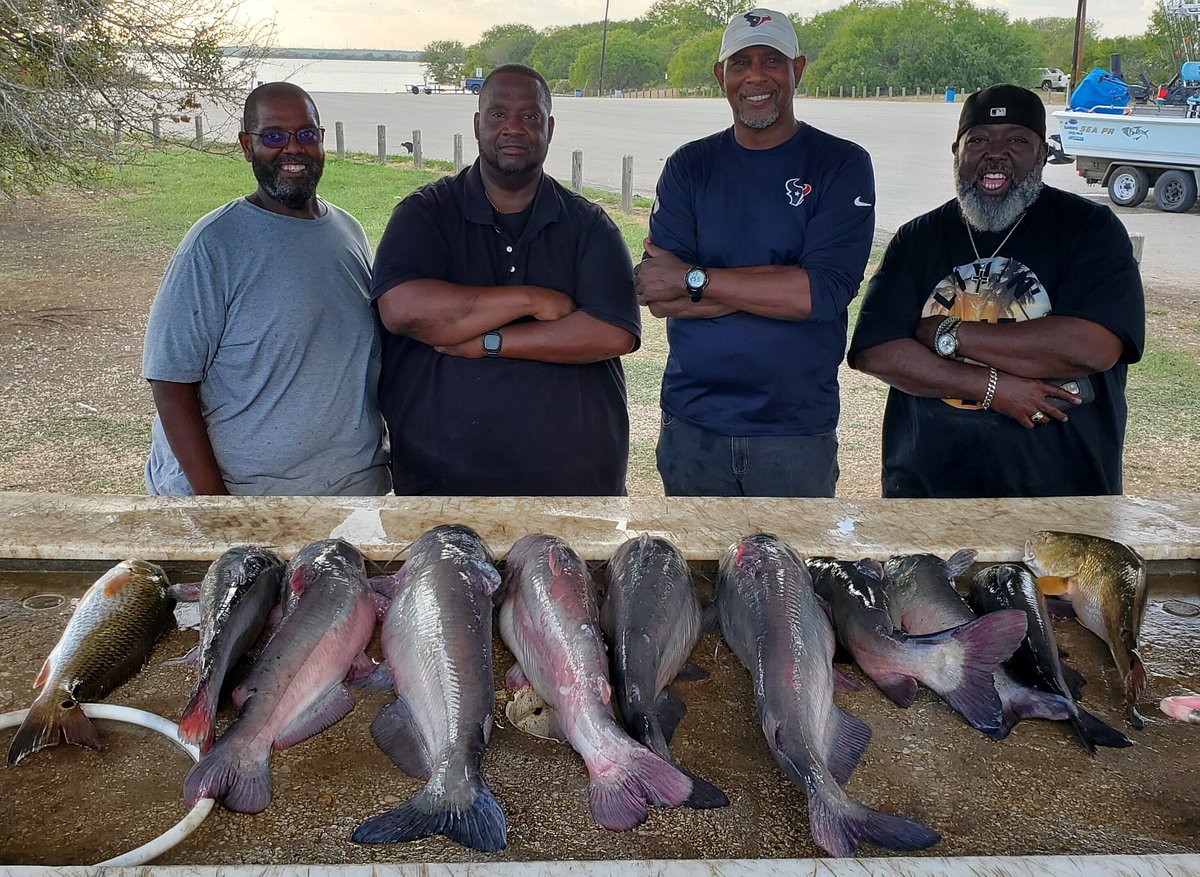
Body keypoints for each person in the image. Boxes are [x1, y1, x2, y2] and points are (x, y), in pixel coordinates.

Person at [848, 84, 1145, 498]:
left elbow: (1091, 346)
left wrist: (947, 334)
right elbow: (875, 351)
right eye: (979, 140)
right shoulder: (918, 238)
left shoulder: (1090, 230)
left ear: (1042, 154)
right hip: (928, 492)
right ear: (957, 152)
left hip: (1061, 495)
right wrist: (994, 388)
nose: (996, 153)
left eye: (1017, 140)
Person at [634, 9, 875, 497]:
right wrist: (782, 283)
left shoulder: (841, 163)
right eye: (741, 63)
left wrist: (696, 278)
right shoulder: (689, 166)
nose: (756, 76)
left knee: (789, 572)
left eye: (772, 60)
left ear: (797, 70)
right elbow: (659, 292)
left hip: (796, 429)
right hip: (693, 424)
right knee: (697, 572)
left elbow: (823, 294)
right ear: (722, 76)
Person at [371, 64, 640, 496]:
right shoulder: (426, 213)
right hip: (442, 486)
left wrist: (488, 342)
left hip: (573, 486)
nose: (513, 128)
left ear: (549, 127)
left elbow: (611, 333)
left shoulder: (588, 224)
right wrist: (530, 300)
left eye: (530, 117)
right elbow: (402, 310)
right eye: (498, 115)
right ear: (478, 124)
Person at [142, 82, 390, 496]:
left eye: (306, 134)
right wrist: (218, 510)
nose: (293, 149)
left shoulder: (349, 232)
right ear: (246, 145)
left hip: (349, 496)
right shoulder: (215, 244)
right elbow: (170, 382)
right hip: (247, 499)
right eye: (274, 136)